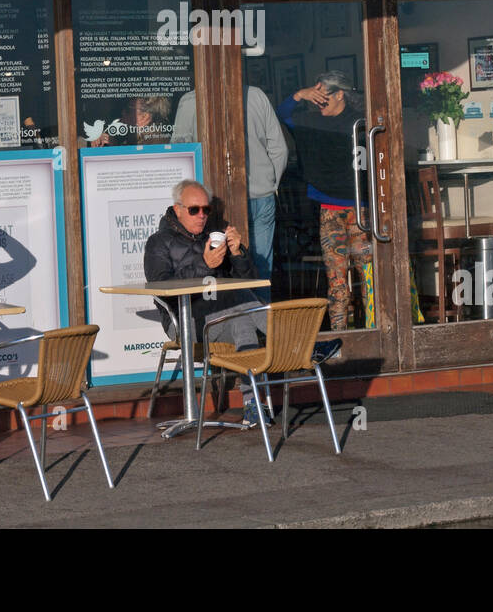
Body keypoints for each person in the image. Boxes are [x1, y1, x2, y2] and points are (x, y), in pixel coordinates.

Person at [143, 179, 270, 425]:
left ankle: (252, 404)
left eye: (206, 210)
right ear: (178, 209)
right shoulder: (158, 242)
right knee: (239, 307)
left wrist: (238, 254)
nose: (201, 216)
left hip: (223, 315)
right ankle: (295, 342)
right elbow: (161, 288)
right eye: (194, 210)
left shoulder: (215, 235)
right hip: (184, 321)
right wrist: (204, 266)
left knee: (241, 317)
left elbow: (250, 283)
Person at [172, 86, 288, 301]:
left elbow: (180, 151)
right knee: (261, 266)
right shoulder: (257, 96)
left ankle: (231, 324)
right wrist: (270, 183)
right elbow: (279, 148)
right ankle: (261, 324)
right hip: (261, 194)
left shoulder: (190, 101)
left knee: (218, 265)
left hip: (212, 200)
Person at [277, 72, 372, 332]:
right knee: (336, 279)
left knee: (370, 275)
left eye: (323, 97)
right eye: (314, 98)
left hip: (361, 209)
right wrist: (299, 94)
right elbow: (282, 113)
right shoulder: (309, 122)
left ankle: (375, 330)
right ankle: (341, 336)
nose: (318, 103)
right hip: (330, 209)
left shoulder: (361, 122)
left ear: (340, 94)